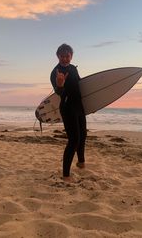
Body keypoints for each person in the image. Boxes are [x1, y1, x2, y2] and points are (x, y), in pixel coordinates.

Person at [50, 44, 87, 182]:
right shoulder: (55, 72)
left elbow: (80, 85)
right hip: (67, 107)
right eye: (62, 56)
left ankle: (81, 162)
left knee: (83, 135)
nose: (65, 58)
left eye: (67, 56)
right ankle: (66, 175)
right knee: (73, 140)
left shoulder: (72, 68)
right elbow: (59, 93)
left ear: (71, 56)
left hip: (79, 106)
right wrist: (59, 84)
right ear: (58, 56)